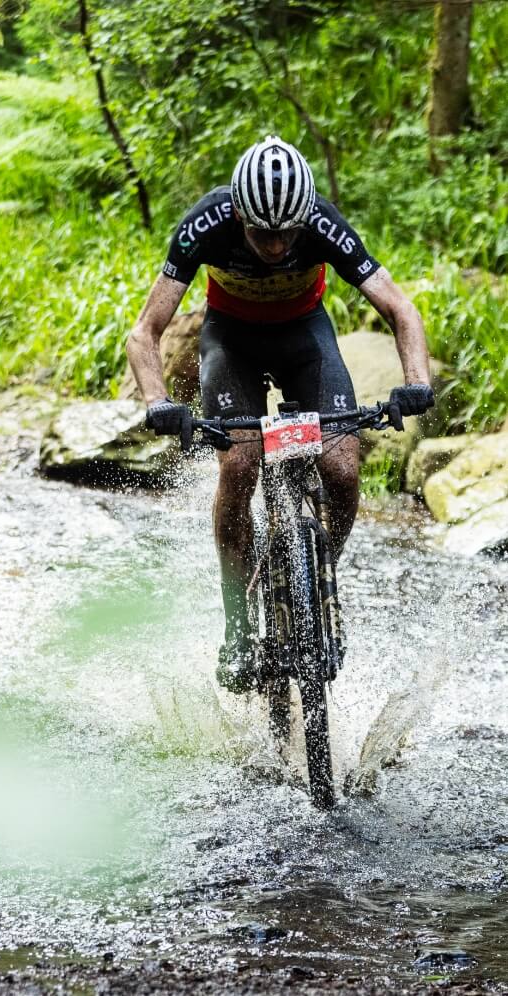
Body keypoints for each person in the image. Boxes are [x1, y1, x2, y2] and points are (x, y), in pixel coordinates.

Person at [125, 135, 434, 694]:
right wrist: (157, 401)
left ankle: (316, 579)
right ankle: (238, 626)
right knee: (239, 465)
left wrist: (417, 382)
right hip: (231, 340)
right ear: (239, 213)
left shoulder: (320, 221)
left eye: (287, 234)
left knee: (342, 469)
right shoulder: (207, 223)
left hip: (304, 336)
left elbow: (399, 307)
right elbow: (145, 331)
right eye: (262, 233)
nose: (275, 245)